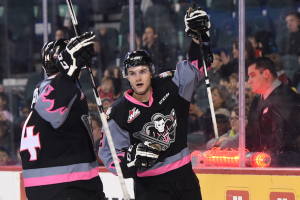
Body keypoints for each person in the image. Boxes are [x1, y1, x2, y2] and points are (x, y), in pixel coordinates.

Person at [98, 7, 213, 200]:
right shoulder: (118, 112)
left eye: (142, 71)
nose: (138, 78)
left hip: (185, 178)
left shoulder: (171, 84)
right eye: (132, 73)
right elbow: (109, 155)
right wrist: (130, 159)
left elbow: (197, 69)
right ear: (127, 77)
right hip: (150, 187)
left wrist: (198, 38)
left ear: (151, 71)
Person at [20, 32, 105, 200]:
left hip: (62, 184)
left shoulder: (46, 89)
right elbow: (51, 109)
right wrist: (67, 71)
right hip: (64, 186)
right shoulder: (57, 90)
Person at [246, 57, 300, 167]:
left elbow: (284, 140)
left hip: (283, 164)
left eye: (253, 75)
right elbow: (250, 134)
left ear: (266, 74)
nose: (249, 81)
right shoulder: (257, 101)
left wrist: (263, 157)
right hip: (261, 163)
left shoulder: (286, 98)